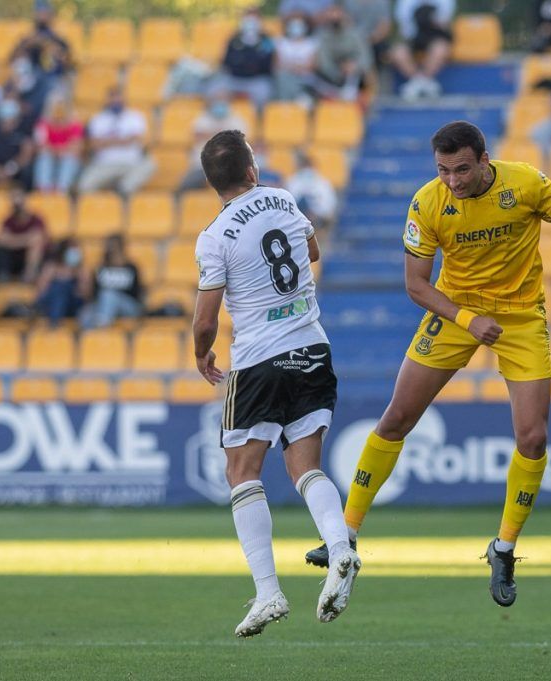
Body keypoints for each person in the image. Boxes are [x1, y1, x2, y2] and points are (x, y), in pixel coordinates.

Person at [301, 121, 551, 607]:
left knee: (534, 437)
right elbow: (417, 285)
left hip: (522, 317)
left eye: (462, 169)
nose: (453, 180)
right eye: (443, 170)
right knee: (396, 419)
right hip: (458, 311)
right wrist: (468, 318)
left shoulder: (525, 183)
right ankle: (346, 537)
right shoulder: (427, 203)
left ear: (485, 160)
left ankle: (503, 548)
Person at [192, 130, 361, 636]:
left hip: (258, 358)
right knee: (305, 465)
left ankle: (268, 591)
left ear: (211, 182)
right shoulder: (284, 198)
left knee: (242, 471)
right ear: (252, 171)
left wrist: (202, 354)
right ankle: (339, 548)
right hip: (311, 345)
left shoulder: (214, 235)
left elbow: (206, 319)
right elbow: (309, 251)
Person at [77, 87, 155, 195]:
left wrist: (106, 141)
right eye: (112, 98)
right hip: (104, 163)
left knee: (150, 164)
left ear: (124, 99)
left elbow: (137, 139)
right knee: (84, 187)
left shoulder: (135, 116)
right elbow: (94, 144)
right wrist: (123, 140)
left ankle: (122, 191)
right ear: (107, 100)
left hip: (131, 162)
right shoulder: (98, 119)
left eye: (118, 97)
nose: (116, 101)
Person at [179, 92, 246, 193]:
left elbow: (241, 140)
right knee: (186, 185)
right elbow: (197, 135)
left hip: (230, 166)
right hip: (202, 167)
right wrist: (222, 134)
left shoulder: (236, 119)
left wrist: (211, 134)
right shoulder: (203, 119)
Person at [390, 0, 455, 100]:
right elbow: (404, 28)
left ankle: (419, 84)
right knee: (398, 52)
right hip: (413, 37)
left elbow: (444, 22)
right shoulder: (405, 2)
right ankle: (422, 83)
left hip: (435, 35)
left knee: (440, 48)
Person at [80, 234, 144, 329]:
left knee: (109, 295)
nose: (111, 250)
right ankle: (87, 340)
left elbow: (136, 293)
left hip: (129, 307)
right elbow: (95, 293)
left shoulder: (131, 267)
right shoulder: (101, 268)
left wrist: (115, 297)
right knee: (85, 313)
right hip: (104, 305)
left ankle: (102, 327)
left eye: (113, 247)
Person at [313, 6, 373, 102]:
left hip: (354, 74)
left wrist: (355, 66)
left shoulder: (356, 34)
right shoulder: (323, 36)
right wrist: (339, 72)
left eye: (337, 15)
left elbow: (366, 58)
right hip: (332, 76)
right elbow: (324, 62)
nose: (335, 18)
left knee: (362, 77)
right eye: (332, 15)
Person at [220, 8, 276, 109]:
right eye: (248, 19)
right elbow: (226, 62)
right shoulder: (234, 39)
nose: (251, 23)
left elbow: (268, 65)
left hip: (257, 81)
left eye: (254, 20)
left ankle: (258, 121)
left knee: (263, 96)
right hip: (234, 79)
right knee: (217, 91)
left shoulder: (267, 40)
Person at [0, 187, 47, 281]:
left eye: (18, 198)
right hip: (13, 258)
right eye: (13, 199)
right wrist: (27, 240)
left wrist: (13, 240)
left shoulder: (36, 219)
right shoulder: (8, 221)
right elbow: (3, 239)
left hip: (31, 260)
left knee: (36, 247)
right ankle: (4, 275)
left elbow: (38, 239)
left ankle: (29, 275)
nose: (16, 202)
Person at [33, 96, 84, 193]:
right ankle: (44, 190)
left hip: (67, 160)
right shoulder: (42, 124)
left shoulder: (75, 124)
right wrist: (59, 150)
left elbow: (76, 148)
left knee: (69, 159)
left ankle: (61, 191)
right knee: (44, 158)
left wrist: (56, 150)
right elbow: (40, 147)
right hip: (51, 158)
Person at [35, 238, 87, 327]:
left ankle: (54, 324)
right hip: (50, 304)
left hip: (72, 305)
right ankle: (55, 322)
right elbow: (41, 292)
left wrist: (78, 277)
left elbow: (85, 295)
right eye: (72, 249)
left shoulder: (82, 270)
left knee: (63, 288)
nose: (75, 252)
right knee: (59, 289)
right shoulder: (51, 267)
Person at [273, 13, 319, 103]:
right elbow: (276, 65)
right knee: (282, 77)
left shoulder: (311, 43)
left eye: (299, 24)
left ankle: (290, 102)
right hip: (285, 78)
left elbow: (312, 66)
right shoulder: (281, 42)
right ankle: (296, 99)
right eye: (293, 24)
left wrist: (289, 65)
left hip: (305, 79)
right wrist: (298, 66)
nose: (296, 27)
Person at [286, 152, 337, 230]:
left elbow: (329, 206)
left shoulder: (323, 183)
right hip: (297, 218)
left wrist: (316, 213)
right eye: (305, 166)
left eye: (309, 166)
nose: (307, 169)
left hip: (318, 218)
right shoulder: (292, 181)